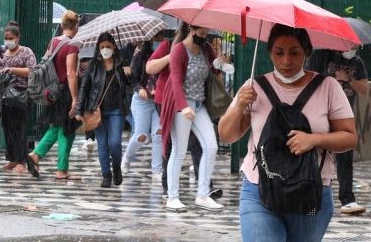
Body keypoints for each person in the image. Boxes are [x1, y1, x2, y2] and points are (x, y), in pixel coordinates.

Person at [219, 24, 356, 242]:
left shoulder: (328, 87)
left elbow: (350, 137)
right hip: (259, 189)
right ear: (269, 52)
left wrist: (314, 140)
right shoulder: (254, 87)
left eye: (294, 52)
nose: (286, 61)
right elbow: (226, 136)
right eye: (279, 52)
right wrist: (238, 107)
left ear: (307, 52)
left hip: (310, 194)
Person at [159, 24, 223, 212]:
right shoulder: (179, 50)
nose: (204, 37)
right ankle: (172, 197)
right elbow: (176, 80)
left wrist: (221, 64)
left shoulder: (206, 48)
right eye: (201, 33)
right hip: (181, 103)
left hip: (199, 103)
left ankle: (203, 195)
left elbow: (213, 70)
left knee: (211, 146)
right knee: (179, 150)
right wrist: (182, 106)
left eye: (207, 33)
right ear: (191, 29)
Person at [308, 45, 368, 215]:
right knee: (314, 154)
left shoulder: (357, 62)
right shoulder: (323, 54)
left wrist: (348, 79)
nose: (353, 48)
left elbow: (364, 88)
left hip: (343, 115)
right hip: (320, 112)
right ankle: (310, 194)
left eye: (356, 46)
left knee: (345, 157)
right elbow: (310, 79)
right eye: (351, 44)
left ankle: (347, 199)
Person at [28, 10, 81, 180]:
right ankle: (62, 169)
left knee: (56, 127)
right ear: (76, 26)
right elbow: (70, 73)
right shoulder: (72, 45)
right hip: (65, 91)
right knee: (67, 129)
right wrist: (75, 98)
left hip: (52, 91)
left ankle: (35, 155)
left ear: (62, 25)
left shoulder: (54, 42)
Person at [76, 32, 130, 188]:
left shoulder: (121, 63)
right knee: (102, 144)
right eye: (102, 47)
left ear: (114, 46)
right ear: (98, 49)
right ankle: (106, 175)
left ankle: (117, 169)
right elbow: (84, 88)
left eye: (108, 46)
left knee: (115, 143)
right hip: (97, 110)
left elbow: (129, 84)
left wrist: (128, 73)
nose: (105, 49)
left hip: (116, 110)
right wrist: (79, 110)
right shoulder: (93, 66)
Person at [122, 32, 167, 182]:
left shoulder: (167, 53)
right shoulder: (140, 53)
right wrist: (140, 88)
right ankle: (127, 157)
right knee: (141, 136)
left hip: (158, 100)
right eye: (155, 38)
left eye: (160, 37)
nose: (158, 41)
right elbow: (133, 76)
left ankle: (157, 171)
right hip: (142, 100)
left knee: (158, 134)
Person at [0, 22, 37, 175]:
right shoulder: (2, 54)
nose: (8, 41)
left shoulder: (26, 52)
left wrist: (12, 70)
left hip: (22, 94)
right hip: (5, 95)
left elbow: (32, 70)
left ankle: (21, 161)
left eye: (11, 38)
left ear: (18, 38)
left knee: (19, 127)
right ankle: (12, 157)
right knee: (7, 127)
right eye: (6, 38)